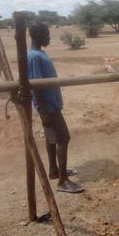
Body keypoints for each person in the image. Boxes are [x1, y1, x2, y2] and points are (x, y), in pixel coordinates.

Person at [28, 22, 84, 193]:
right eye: (46, 34)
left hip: (49, 105)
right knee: (63, 138)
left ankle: (54, 170)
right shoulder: (34, 57)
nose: (49, 37)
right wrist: (43, 110)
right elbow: (36, 85)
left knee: (51, 137)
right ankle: (63, 181)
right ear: (37, 35)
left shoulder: (39, 54)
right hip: (48, 106)